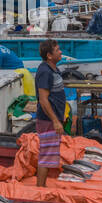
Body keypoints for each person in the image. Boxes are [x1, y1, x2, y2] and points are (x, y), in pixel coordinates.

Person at [34, 39, 66, 187]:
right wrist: (55, 120)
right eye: (57, 50)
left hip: (55, 117)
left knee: (49, 153)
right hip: (47, 120)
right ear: (49, 55)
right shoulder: (45, 72)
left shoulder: (54, 69)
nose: (60, 52)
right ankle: (40, 188)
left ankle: (42, 186)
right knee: (46, 155)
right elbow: (43, 100)